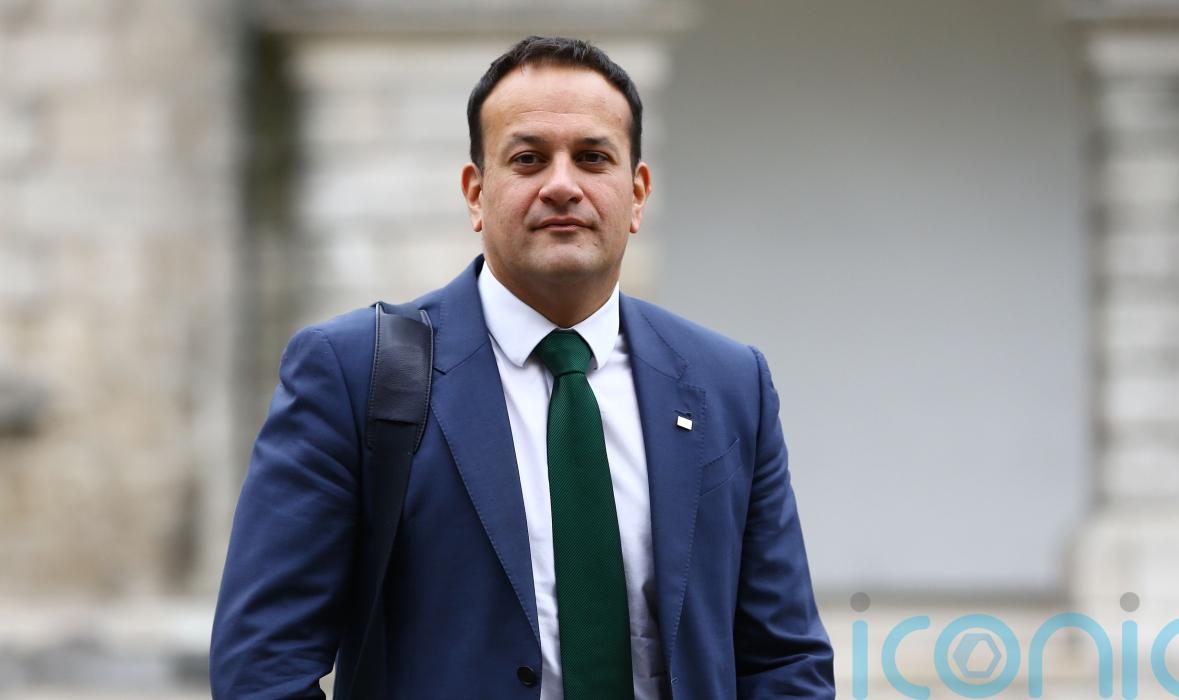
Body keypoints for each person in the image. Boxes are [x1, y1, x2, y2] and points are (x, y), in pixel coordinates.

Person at [210, 35, 835, 699]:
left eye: (593, 157)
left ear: (637, 193)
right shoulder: (351, 372)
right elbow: (262, 666)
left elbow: (784, 660)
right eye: (529, 159)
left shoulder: (728, 384)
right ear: (476, 194)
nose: (562, 185)